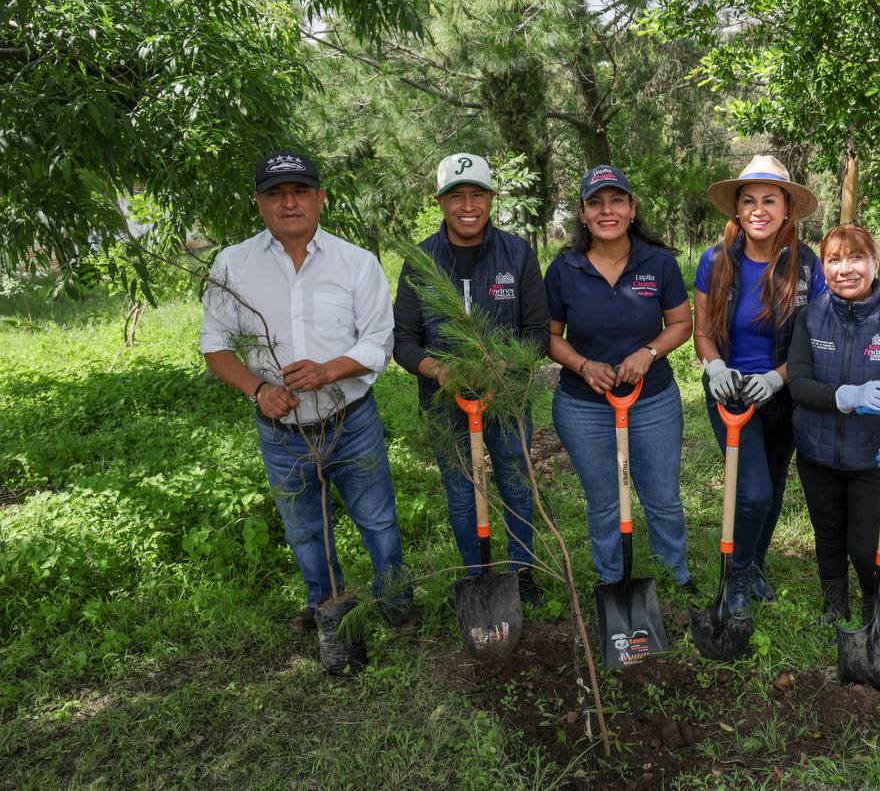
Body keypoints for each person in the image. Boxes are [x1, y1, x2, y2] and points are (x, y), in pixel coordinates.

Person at [199, 151, 415, 635]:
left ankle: (395, 600)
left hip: (351, 421)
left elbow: (379, 341)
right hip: (281, 431)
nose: (289, 202)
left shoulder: (356, 264)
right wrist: (258, 390)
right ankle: (325, 601)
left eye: (299, 191)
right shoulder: (232, 266)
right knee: (302, 528)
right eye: (276, 193)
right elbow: (214, 345)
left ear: (320, 198)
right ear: (259, 203)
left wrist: (328, 371)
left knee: (378, 520)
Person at [392, 153, 550, 605]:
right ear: (440, 201)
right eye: (456, 195)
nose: (467, 205)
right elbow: (404, 340)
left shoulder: (517, 253)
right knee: (462, 493)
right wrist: (438, 370)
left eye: (476, 194)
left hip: (508, 400)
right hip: (446, 405)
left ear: (491, 199)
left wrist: (504, 362)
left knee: (516, 484)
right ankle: (475, 576)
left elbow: (537, 331)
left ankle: (523, 574)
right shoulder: (421, 260)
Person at [544, 165, 695, 591]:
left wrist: (648, 354)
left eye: (616, 201)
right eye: (596, 203)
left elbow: (681, 323)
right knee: (604, 500)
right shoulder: (563, 270)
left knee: (662, 496)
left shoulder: (658, 263)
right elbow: (550, 337)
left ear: (631, 209)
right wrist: (583, 365)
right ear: (583, 213)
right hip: (582, 405)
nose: (606, 211)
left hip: (652, 400)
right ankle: (612, 580)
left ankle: (674, 573)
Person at [694, 154, 826, 618]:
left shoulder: (808, 267)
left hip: (783, 394)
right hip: (731, 394)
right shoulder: (714, 262)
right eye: (749, 200)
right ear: (737, 209)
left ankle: (754, 565)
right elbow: (703, 331)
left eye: (770, 200)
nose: (758, 209)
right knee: (753, 491)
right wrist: (713, 368)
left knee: (770, 484)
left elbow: (815, 340)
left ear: (787, 208)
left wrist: (779, 377)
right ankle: (736, 573)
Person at [788, 224, 880, 628]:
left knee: (866, 548)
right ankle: (835, 607)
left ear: (875, 263)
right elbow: (798, 384)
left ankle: (874, 610)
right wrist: (846, 396)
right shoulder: (809, 317)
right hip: (817, 454)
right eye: (834, 260)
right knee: (828, 536)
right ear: (823, 268)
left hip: (877, 459)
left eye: (855, 258)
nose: (845, 269)